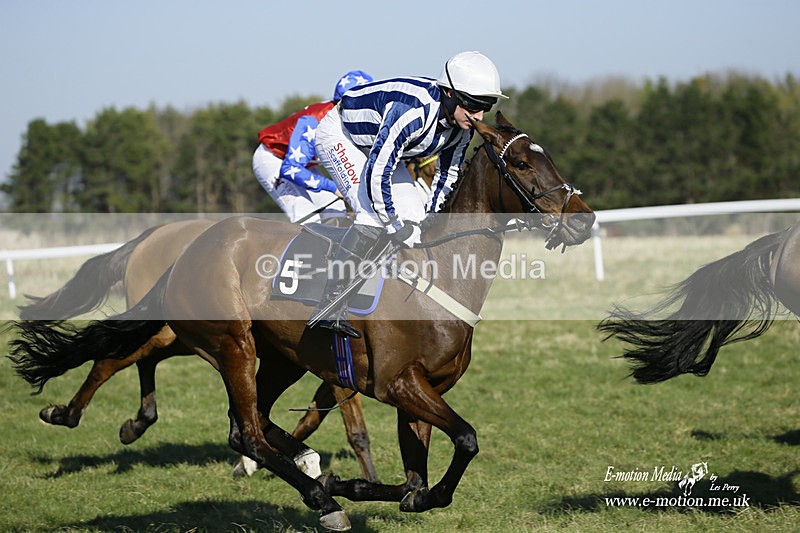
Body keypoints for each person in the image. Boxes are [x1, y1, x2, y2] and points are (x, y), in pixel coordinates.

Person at [310, 51, 507, 338]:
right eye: (473, 105)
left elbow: (447, 176)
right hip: (342, 136)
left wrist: (432, 217)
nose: (478, 116)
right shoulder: (412, 112)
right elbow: (378, 171)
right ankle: (329, 304)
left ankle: (395, 296)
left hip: (381, 146)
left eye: (485, 107)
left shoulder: (462, 130)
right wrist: (392, 223)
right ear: (449, 93)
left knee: (415, 218)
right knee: (373, 215)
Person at [252, 70, 373, 224]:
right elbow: (290, 169)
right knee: (307, 215)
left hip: (303, 164)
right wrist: (335, 187)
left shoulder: (350, 118)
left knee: (336, 209)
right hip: (274, 159)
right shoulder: (313, 123)